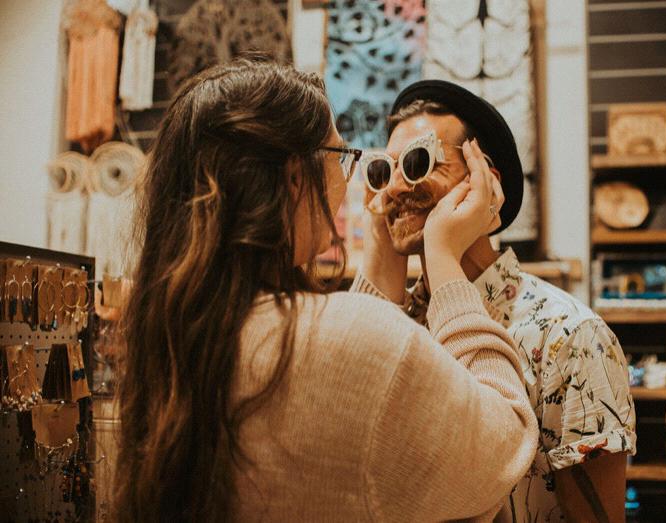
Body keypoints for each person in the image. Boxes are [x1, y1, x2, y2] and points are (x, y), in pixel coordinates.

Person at [114, 57, 539, 522]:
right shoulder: (346, 338)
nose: (389, 188)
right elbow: (503, 444)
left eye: (416, 164)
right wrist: (443, 263)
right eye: (343, 157)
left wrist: (384, 255)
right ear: (297, 176)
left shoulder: (179, 334)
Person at [354, 80, 637, 523]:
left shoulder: (570, 337)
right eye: (383, 171)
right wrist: (379, 244)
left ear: (484, 180)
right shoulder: (398, 326)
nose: (395, 188)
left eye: (417, 162)